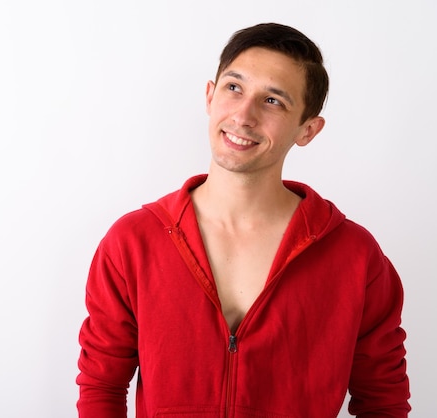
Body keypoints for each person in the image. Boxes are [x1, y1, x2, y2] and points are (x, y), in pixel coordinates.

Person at [76, 22, 410, 417]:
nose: (244, 115)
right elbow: (102, 386)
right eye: (234, 88)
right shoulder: (133, 241)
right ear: (209, 95)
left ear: (308, 130)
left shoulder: (356, 257)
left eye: (273, 101)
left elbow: (383, 400)